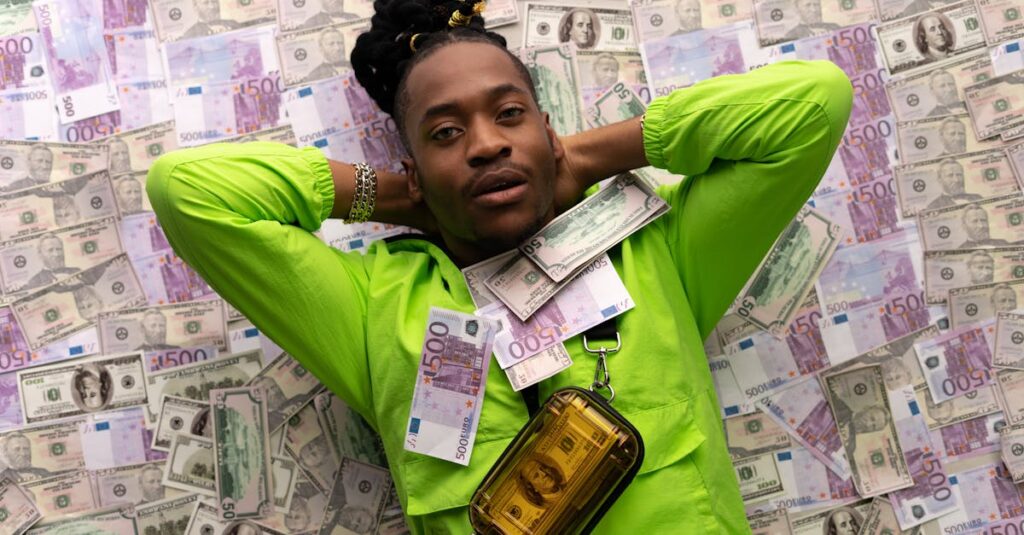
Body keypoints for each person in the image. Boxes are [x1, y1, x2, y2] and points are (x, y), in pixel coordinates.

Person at [146, 0, 853, 530]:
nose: (485, 145)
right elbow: (188, 194)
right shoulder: (371, 307)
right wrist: (395, 198)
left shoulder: (657, 248)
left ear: (547, 131)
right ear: (415, 167)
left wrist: (585, 156)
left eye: (510, 115)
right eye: (446, 134)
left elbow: (813, 104)